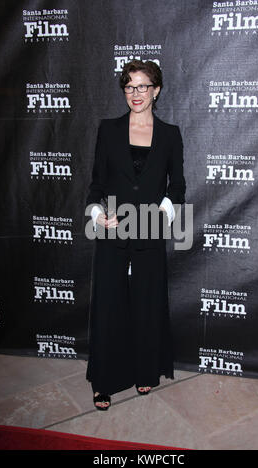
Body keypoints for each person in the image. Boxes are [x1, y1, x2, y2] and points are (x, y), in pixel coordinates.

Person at [85, 59, 186, 410]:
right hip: (113, 232)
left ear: (156, 90)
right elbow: (96, 183)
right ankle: (104, 382)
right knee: (108, 305)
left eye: (143, 86)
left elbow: (179, 187)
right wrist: (97, 214)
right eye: (129, 86)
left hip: (150, 230)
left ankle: (145, 371)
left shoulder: (170, 134)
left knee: (147, 303)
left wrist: (165, 210)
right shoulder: (108, 129)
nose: (136, 93)